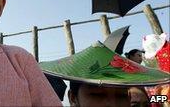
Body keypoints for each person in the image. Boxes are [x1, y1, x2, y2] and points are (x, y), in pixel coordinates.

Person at [40, 41, 170, 107]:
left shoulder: (150, 84)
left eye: (121, 96)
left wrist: (150, 101)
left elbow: (157, 99)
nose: (112, 104)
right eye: (97, 94)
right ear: (73, 98)